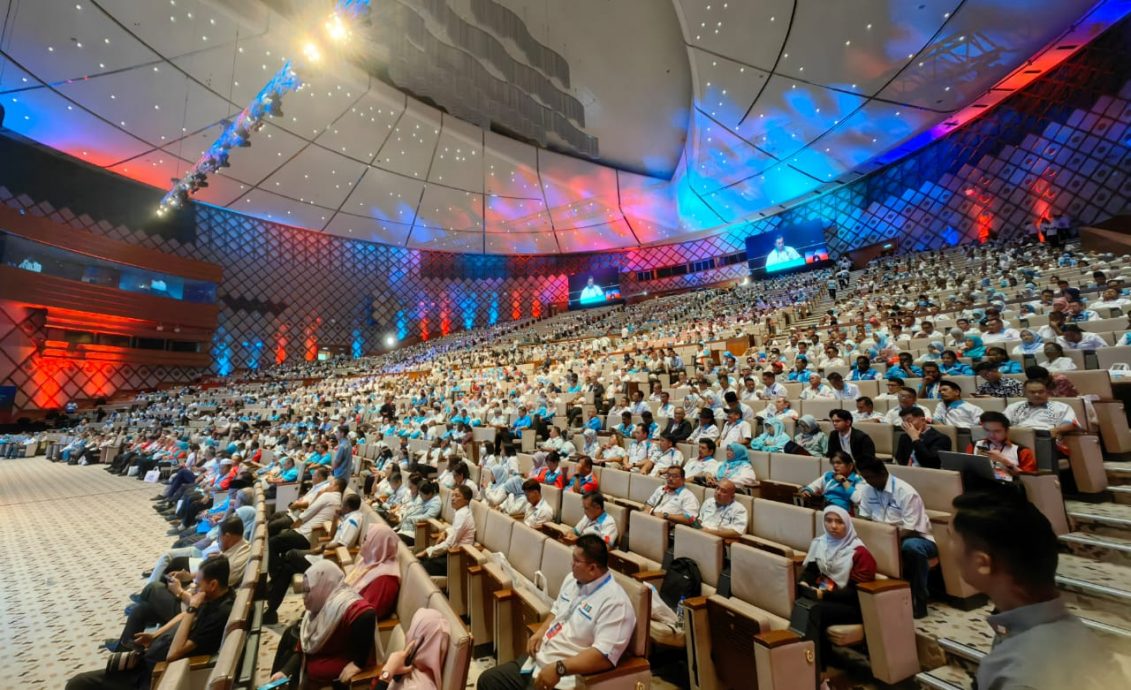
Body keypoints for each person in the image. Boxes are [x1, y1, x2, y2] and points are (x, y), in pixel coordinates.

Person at [950, 493, 1120, 690]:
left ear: (982, 563)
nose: (947, 546)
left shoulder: (1019, 677)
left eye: (951, 538)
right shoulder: (1077, 633)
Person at [476, 535, 636, 690]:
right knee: (488, 681)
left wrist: (559, 668)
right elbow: (556, 610)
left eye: (576, 560)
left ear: (592, 568)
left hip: (563, 676)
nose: (571, 563)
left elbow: (603, 657)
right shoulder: (572, 579)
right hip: (538, 659)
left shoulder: (616, 603)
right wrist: (541, 631)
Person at [67, 558, 235, 690]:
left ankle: (123, 652)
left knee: (78, 684)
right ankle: (124, 649)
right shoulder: (217, 597)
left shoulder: (219, 615)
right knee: (142, 610)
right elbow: (184, 614)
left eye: (198, 584)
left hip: (153, 676)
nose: (194, 587)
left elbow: (173, 654)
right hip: (148, 658)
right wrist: (155, 634)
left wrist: (192, 608)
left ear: (213, 584)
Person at [269, 560, 377, 688]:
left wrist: (358, 663)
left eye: (308, 591)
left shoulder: (343, 605)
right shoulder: (320, 604)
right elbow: (304, 648)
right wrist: (285, 672)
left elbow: (367, 614)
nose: (304, 597)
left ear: (323, 587)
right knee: (290, 642)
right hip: (321, 660)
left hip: (340, 668)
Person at [794, 506, 877, 671]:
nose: (833, 526)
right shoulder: (821, 543)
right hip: (826, 597)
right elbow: (811, 570)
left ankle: (816, 667)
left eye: (839, 522)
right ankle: (809, 658)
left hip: (854, 606)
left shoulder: (860, 553)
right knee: (798, 601)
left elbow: (855, 594)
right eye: (829, 520)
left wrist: (824, 595)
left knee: (813, 610)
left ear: (847, 524)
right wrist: (804, 582)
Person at [854, 458, 936, 618]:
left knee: (911, 547)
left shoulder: (905, 492)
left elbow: (910, 528)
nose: (868, 482)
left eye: (870, 477)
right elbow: (864, 518)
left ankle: (919, 599)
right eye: (865, 478)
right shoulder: (867, 490)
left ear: (883, 473)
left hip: (917, 538)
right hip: (882, 536)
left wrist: (886, 540)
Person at [377, 608, 451, 690]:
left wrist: (387, 673)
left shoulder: (418, 687)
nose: (407, 634)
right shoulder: (403, 669)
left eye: (411, 630)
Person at [344, 524, 401, 618]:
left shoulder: (385, 580)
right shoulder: (369, 561)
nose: (362, 542)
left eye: (366, 539)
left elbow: (365, 616)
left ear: (377, 545)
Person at [416, 485, 475, 576]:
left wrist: (427, 551)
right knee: (421, 561)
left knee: (420, 566)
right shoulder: (461, 511)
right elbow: (454, 529)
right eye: (453, 495)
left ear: (466, 501)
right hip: (451, 552)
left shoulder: (462, 515)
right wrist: (445, 531)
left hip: (457, 557)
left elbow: (449, 543)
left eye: (457, 496)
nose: (453, 498)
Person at [967, 412, 1038, 484]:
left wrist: (1003, 460)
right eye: (987, 430)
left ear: (1007, 431)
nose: (991, 435)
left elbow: (1029, 479)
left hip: (1008, 488)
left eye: (997, 431)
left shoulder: (1021, 451)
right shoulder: (974, 445)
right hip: (979, 485)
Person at [1003, 379, 1080, 440]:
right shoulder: (1014, 407)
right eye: (1032, 392)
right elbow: (1000, 423)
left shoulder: (1062, 407)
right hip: (1018, 438)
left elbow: (1071, 424)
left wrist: (1057, 430)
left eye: (1041, 392)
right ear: (1025, 393)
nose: (1037, 395)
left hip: (1046, 437)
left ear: (1047, 392)